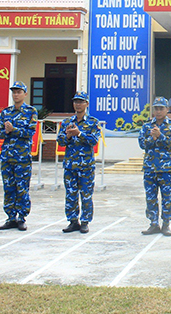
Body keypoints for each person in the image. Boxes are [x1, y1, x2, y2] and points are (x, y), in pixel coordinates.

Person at [0, 81, 38, 231]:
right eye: (14, 92)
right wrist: (6, 131)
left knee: (22, 188)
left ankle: (22, 217)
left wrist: (14, 130)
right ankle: (10, 217)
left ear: (25, 94)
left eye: (19, 92)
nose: (16, 94)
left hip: (22, 158)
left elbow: (30, 132)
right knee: (9, 188)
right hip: (7, 157)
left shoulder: (31, 111)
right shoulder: (6, 112)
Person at [57, 91, 100, 234]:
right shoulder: (67, 122)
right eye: (76, 101)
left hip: (86, 166)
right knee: (70, 194)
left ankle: (85, 221)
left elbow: (94, 141)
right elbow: (60, 141)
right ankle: (73, 221)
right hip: (70, 165)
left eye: (81, 102)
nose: (78, 104)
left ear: (87, 104)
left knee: (86, 194)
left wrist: (80, 134)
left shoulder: (93, 122)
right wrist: (68, 136)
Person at [139, 97, 171, 236]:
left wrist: (160, 136)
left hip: (166, 168)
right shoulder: (146, 126)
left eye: (161, 108)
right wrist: (152, 138)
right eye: (156, 108)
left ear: (167, 109)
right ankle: (153, 223)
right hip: (150, 168)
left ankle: (166, 224)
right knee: (151, 197)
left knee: (167, 197)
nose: (158, 111)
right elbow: (142, 144)